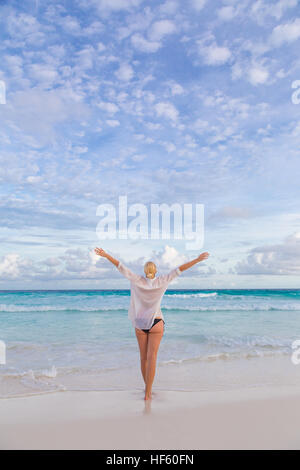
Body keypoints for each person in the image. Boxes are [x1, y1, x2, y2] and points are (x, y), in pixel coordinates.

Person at [94, 247, 210, 401]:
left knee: (143, 358)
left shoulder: (136, 279)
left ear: (144, 271)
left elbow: (120, 265)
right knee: (152, 357)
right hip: (156, 323)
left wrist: (106, 255)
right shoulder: (163, 280)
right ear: (155, 271)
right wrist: (197, 259)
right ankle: (148, 393)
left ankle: (146, 389)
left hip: (140, 323)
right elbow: (180, 269)